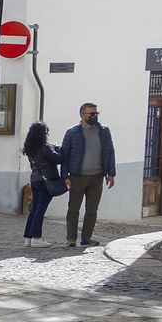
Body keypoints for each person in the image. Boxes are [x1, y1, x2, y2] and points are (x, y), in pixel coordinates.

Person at [59, 102, 116, 248]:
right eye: (91, 114)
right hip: (77, 177)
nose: (94, 116)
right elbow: (64, 155)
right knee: (73, 209)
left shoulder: (104, 131)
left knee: (92, 210)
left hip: (97, 177)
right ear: (82, 115)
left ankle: (86, 238)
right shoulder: (72, 133)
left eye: (96, 113)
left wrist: (111, 173)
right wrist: (65, 176)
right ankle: (71, 238)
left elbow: (110, 152)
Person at [22, 121, 65, 248]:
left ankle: (28, 238)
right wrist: (57, 148)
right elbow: (59, 158)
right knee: (40, 209)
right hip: (46, 181)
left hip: (35, 180)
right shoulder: (45, 148)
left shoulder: (30, 149)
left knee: (34, 209)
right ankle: (37, 238)